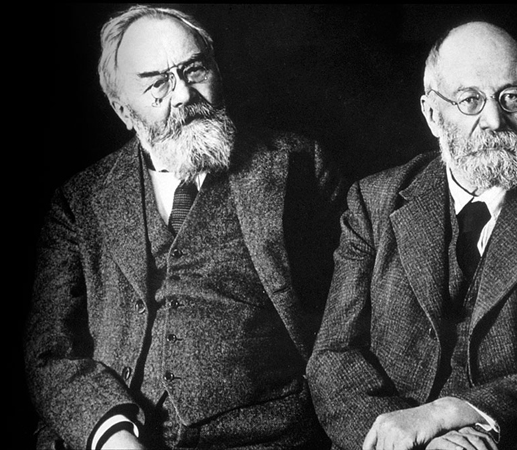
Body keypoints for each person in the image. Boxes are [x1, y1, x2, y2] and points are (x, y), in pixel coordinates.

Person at [24, 5, 345, 450]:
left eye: (194, 69)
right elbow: (49, 351)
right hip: (125, 434)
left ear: (216, 69)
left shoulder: (300, 165)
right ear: (122, 109)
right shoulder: (79, 201)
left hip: (267, 434)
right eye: (157, 82)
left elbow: (347, 321)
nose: (183, 95)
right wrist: (110, 433)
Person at [306, 21, 517, 450]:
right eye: (470, 100)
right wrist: (407, 439)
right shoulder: (373, 201)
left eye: (511, 96)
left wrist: (446, 414)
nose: (495, 120)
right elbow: (333, 357)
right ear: (432, 114)